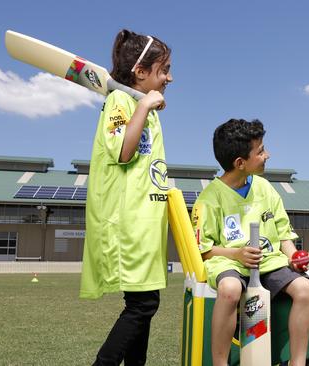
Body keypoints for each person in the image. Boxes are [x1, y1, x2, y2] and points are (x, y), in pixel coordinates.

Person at [79, 29, 173, 365]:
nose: (169, 78)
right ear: (140, 72)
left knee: (144, 306)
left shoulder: (141, 107)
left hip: (146, 224)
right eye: (163, 70)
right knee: (143, 305)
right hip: (127, 223)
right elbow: (123, 152)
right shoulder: (122, 101)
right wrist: (144, 105)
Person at [191, 119, 309, 366]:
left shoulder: (265, 188)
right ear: (240, 163)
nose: (267, 155)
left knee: (304, 289)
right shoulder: (208, 198)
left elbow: (283, 233)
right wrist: (236, 254)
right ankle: (220, 362)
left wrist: (293, 257)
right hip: (229, 263)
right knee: (230, 290)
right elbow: (204, 250)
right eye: (260, 151)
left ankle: (297, 362)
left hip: (269, 262)